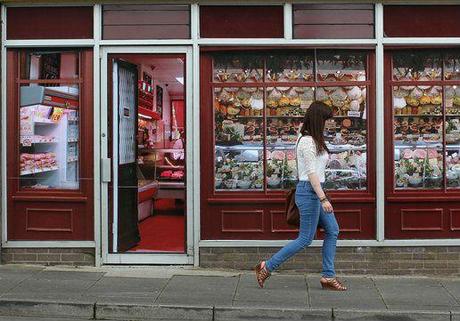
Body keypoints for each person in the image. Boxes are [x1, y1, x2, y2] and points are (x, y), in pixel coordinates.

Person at [254, 101, 347, 291]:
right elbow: (311, 173)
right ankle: (267, 266)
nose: (329, 123)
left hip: (316, 189)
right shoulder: (306, 141)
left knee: (333, 230)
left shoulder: (314, 139)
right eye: (326, 120)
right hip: (310, 192)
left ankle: (328, 276)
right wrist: (323, 199)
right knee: (305, 239)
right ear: (317, 119)